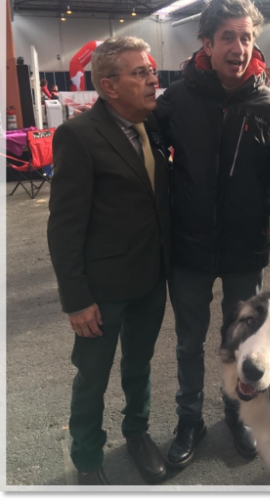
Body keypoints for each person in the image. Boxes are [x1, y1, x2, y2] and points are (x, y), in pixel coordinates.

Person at [156, 0, 270, 468]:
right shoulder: (175, 101)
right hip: (189, 249)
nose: (238, 47)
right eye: (228, 38)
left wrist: (262, 202)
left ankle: (240, 415)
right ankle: (189, 419)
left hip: (244, 249)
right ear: (207, 43)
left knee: (241, 340)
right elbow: (152, 162)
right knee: (189, 340)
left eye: (246, 37)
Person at [47, 37, 171, 486]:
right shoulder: (78, 136)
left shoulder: (151, 127)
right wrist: (76, 299)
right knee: (93, 377)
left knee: (139, 366)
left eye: (151, 70)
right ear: (108, 86)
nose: (152, 78)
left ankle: (136, 434)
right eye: (140, 72)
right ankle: (86, 455)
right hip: (100, 291)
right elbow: (63, 226)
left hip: (150, 279)